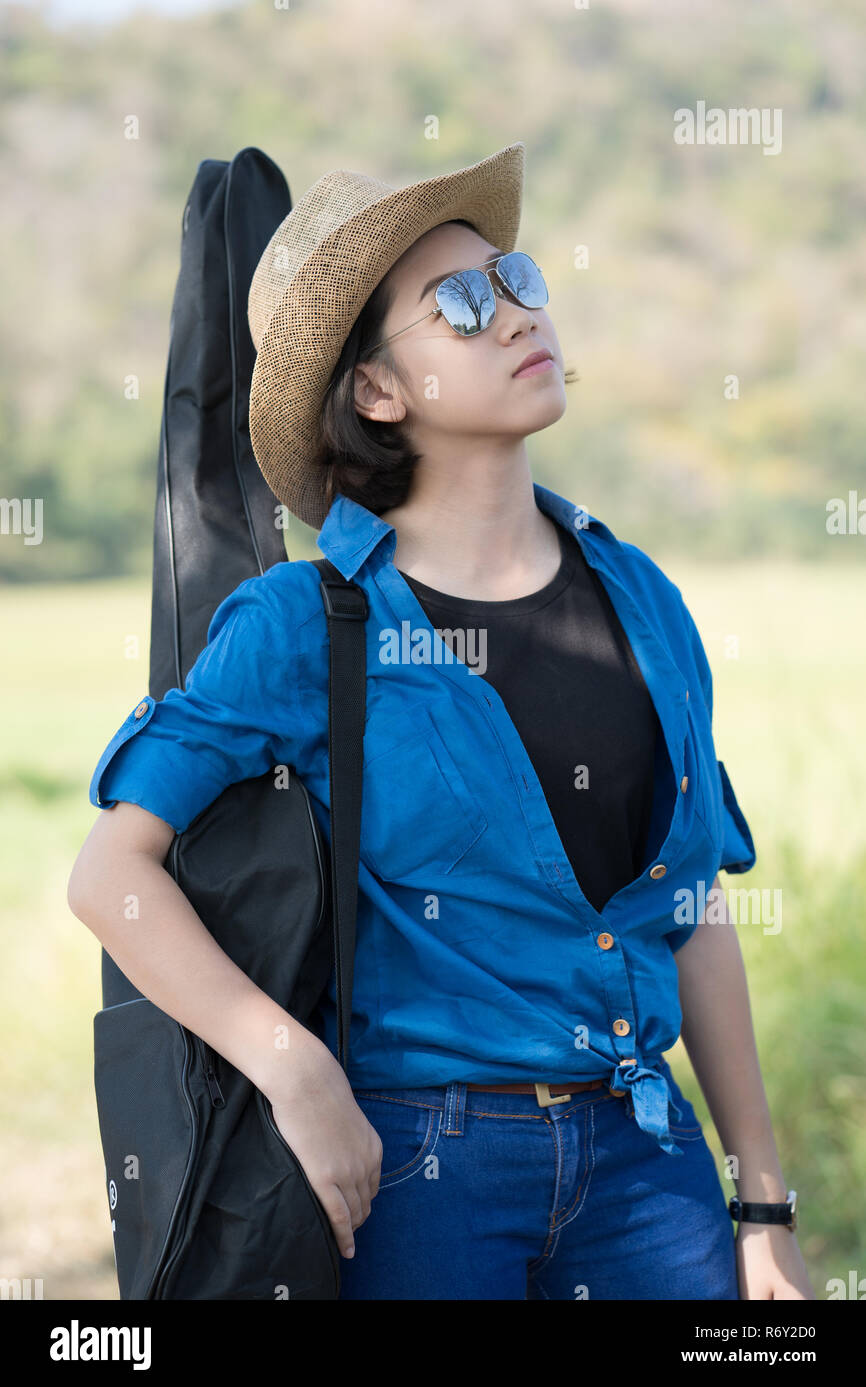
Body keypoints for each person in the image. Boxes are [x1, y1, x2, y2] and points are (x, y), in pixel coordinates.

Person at [68, 142, 814, 1300]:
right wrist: (291, 1066)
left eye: (516, 279)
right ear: (377, 390)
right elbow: (109, 874)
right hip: (421, 1174)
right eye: (459, 303)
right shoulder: (305, 623)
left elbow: (692, 904)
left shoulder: (643, 598)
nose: (514, 313)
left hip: (646, 1165)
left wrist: (759, 1205)